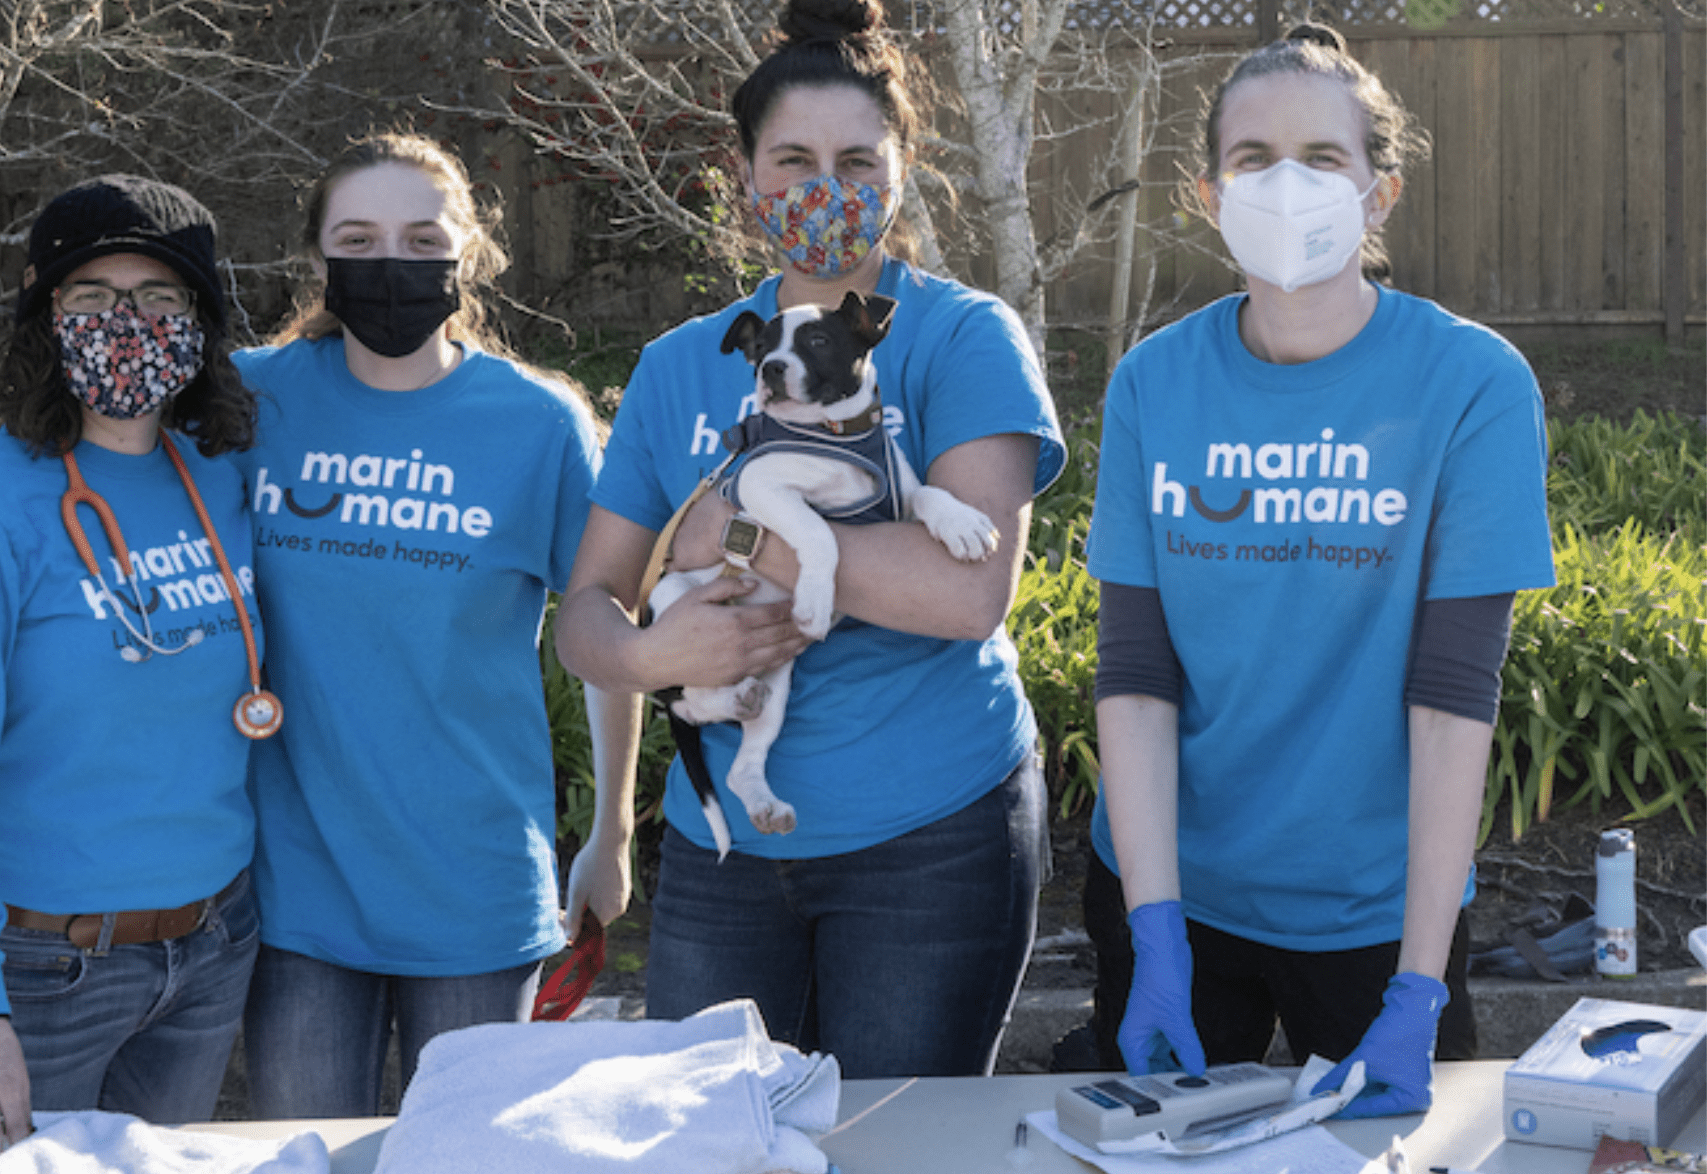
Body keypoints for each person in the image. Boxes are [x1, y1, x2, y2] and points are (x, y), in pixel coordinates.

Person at [553, 0, 1066, 1079]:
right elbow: (588, 615)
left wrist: (728, 526)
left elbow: (964, 596)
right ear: (745, 176)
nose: (824, 187)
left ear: (903, 174)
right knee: (716, 1140)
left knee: (898, 1147)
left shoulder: (964, 336)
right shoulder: (683, 361)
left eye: (857, 161)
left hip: (933, 839)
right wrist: (648, 658)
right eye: (792, 159)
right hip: (722, 848)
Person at [1081, 24, 1556, 1117]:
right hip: (1174, 895)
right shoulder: (1155, 384)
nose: (1285, 185)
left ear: (1380, 192)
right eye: (1252, 158)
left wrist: (1421, 987)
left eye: (1323, 158)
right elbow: (1136, 674)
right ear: (1207, 193)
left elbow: (1452, 699)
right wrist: (1154, 934)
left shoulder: (1472, 385)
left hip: (1380, 915)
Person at [229, 132, 640, 1118]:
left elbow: (607, 636)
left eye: (421, 238)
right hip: (299, 895)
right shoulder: (251, 401)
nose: (390, 263)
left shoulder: (537, 423)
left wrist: (611, 831)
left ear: (468, 251)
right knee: (304, 1153)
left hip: (476, 890)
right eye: (358, 239)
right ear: (318, 256)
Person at [0, 175, 268, 1161]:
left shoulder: (219, 479)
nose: (127, 324)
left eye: (159, 299)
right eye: (93, 299)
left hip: (211, 946)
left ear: (200, 323)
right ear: (45, 319)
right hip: (39, 970)